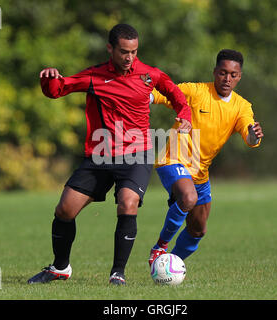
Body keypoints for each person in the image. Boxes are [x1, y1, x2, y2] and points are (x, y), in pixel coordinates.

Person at [27, 23, 192, 285]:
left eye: (134, 52)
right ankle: (60, 268)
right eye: (124, 51)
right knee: (64, 210)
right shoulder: (94, 76)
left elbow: (176, 95)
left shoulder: (149, 75)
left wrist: (184, 115)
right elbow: (58, 90)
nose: (130, 57)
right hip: (100, 156)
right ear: (110, 49)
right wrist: (48, 80)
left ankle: (118, 273)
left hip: (137, 154)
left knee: (127, 203)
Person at [148, 49, 264, 266]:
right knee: (188, 198)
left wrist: (253, 135)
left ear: (239, 77)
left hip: (200, 173)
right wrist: (140, 96)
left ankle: (166, 267)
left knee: (197, 230)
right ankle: (159, 248)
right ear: (214, 72)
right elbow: (160, 94)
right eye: (222, 73)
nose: (227, 79)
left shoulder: (241, 106)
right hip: (173, 160)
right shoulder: (196, 91)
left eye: (233, 75)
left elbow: (249, 136)